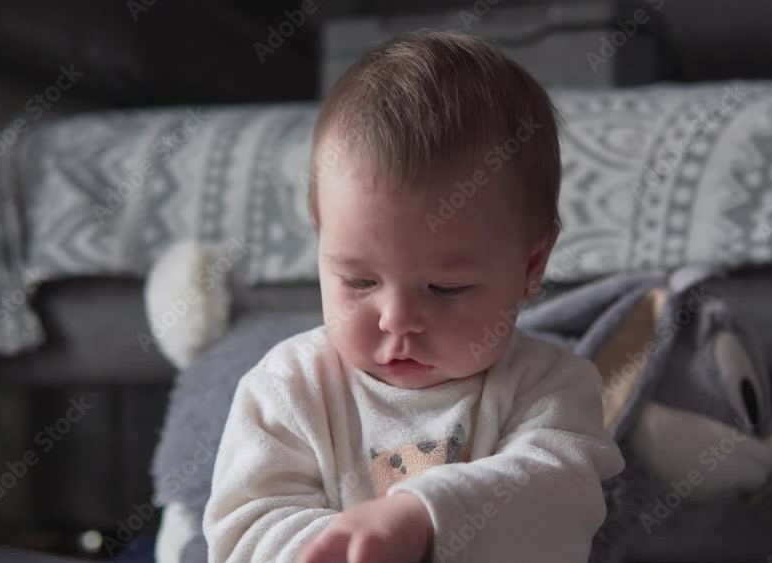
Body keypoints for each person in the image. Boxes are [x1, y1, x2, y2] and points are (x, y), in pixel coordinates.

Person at [204, 30, 624, 563]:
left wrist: (424, 518)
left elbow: (559, 506)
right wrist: (350, 549)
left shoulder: (550, 387)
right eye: (359, 282)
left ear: (530, 266)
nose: (397, 320)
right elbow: (242, 532)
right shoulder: (289, 388)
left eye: (446, 288)